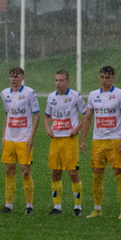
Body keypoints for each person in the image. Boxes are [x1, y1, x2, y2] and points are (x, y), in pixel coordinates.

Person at [80, 66, 121, 219]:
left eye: (107, 78)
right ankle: (97, 209)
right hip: (98, 142)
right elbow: (88, 117)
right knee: (97, 175)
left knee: (119, 174)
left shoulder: (120, 94)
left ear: (113, 78)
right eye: (102, 77)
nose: (104, 80)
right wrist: (83, 139)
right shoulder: (93, 95)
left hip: (115, 141)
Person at [0, 67, 40, 214]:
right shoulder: (4, 93)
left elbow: (36, 115)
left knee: (25, 171)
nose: (13, 79)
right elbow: (7, 114)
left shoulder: (29, 93)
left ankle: (29, 205)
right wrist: (3, 135)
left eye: (16, 76)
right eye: (11, 76)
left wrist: (31, 136)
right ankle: (8, 205)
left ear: (22, 77)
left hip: (24, 139)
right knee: (9, 169)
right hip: (10, 138)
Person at [44, 70, 86, 216]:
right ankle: (57, 207)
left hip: (69, 140)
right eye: (56, 80)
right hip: (55, 140)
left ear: (67, 81)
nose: (58, 83)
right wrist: (47, 127)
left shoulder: (75, 96)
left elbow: (86, 114)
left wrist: (77, 128)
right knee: (56, 172)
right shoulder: (51, 97)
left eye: (61, 80)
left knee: (73, 172)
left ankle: (78, 207)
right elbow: (46, 116)